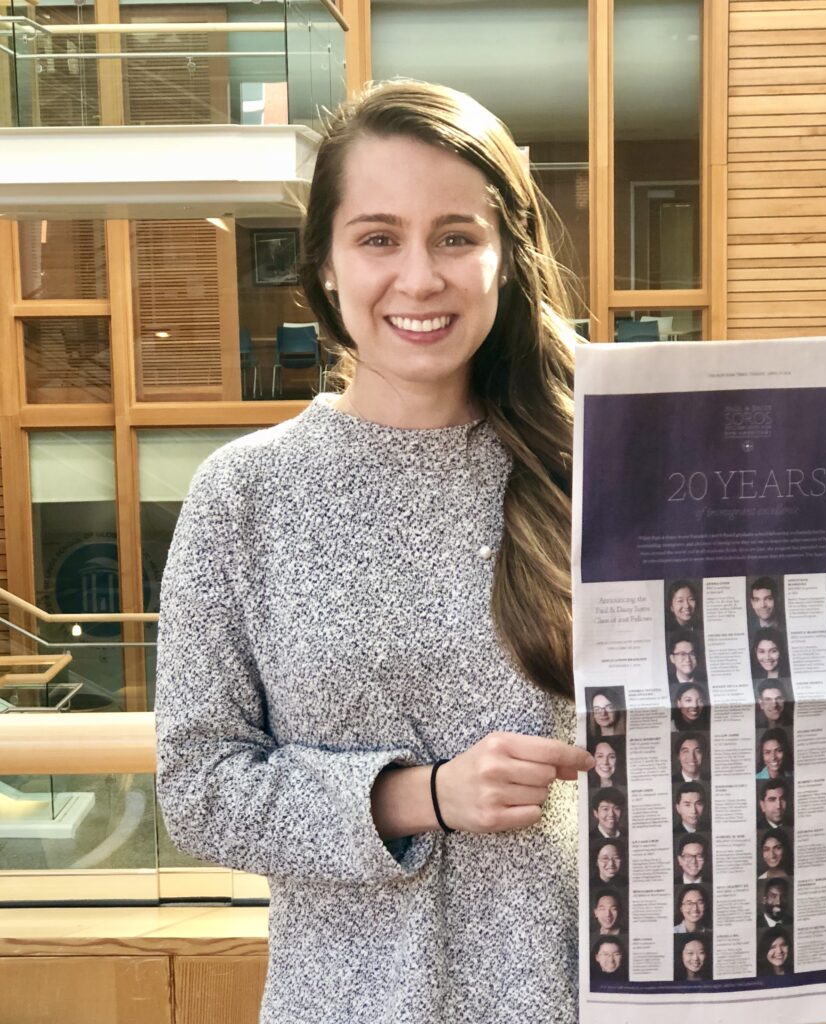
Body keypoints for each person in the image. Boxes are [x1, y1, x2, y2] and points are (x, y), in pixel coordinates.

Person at [155, 80, 599, 1024]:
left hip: (573, 997)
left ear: (506, 260)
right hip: (345, 1004)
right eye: (378, 237)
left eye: (455, 236)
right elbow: (200, 788)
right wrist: (424, 796)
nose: (419, 277)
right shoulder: (244, 495)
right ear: (323, 266)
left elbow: (742, 669)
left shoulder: (593, 468)